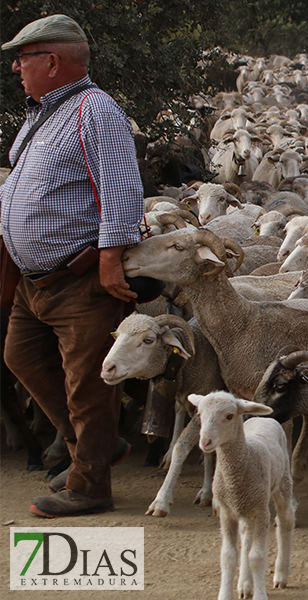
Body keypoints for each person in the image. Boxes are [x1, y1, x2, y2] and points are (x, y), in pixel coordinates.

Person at [1, 15, 142, 517]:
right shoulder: (40, 114)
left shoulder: (94, 111)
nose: (16, 67)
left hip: (79, 278)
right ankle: (98, 448)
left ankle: (89, 485)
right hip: (33, 281)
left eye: (23, 57)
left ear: (53, 61)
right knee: (21, 357)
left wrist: (109, 261)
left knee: (86, 384)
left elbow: (121, 186)